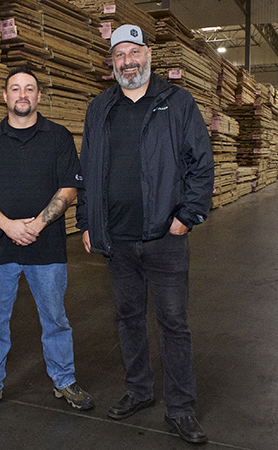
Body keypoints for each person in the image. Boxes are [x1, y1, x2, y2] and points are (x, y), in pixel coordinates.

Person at [75, 24, 214, 444]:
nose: (127, 61)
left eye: (134, 52)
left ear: (148, 55)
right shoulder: (100, 107)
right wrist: (87, 221)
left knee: (173, 322)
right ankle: (138, 390)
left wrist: (186, 216)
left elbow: (201, 163)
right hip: (117, 238)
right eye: (119, 55)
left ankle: (180, 407)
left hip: (164, 237)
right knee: (129, 318)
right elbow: (87, 170)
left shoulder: (176, 101)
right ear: (111, 63)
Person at [0, 67, 93, 417]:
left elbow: (69, 188)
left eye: (30, 89)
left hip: (47, 246)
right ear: (4, 96)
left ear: (39, 97)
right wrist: (8, 225)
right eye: (15, 88)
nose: (23, 94)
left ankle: (63, 378)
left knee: (55, 319)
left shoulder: (59, 137)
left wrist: (36, 225)